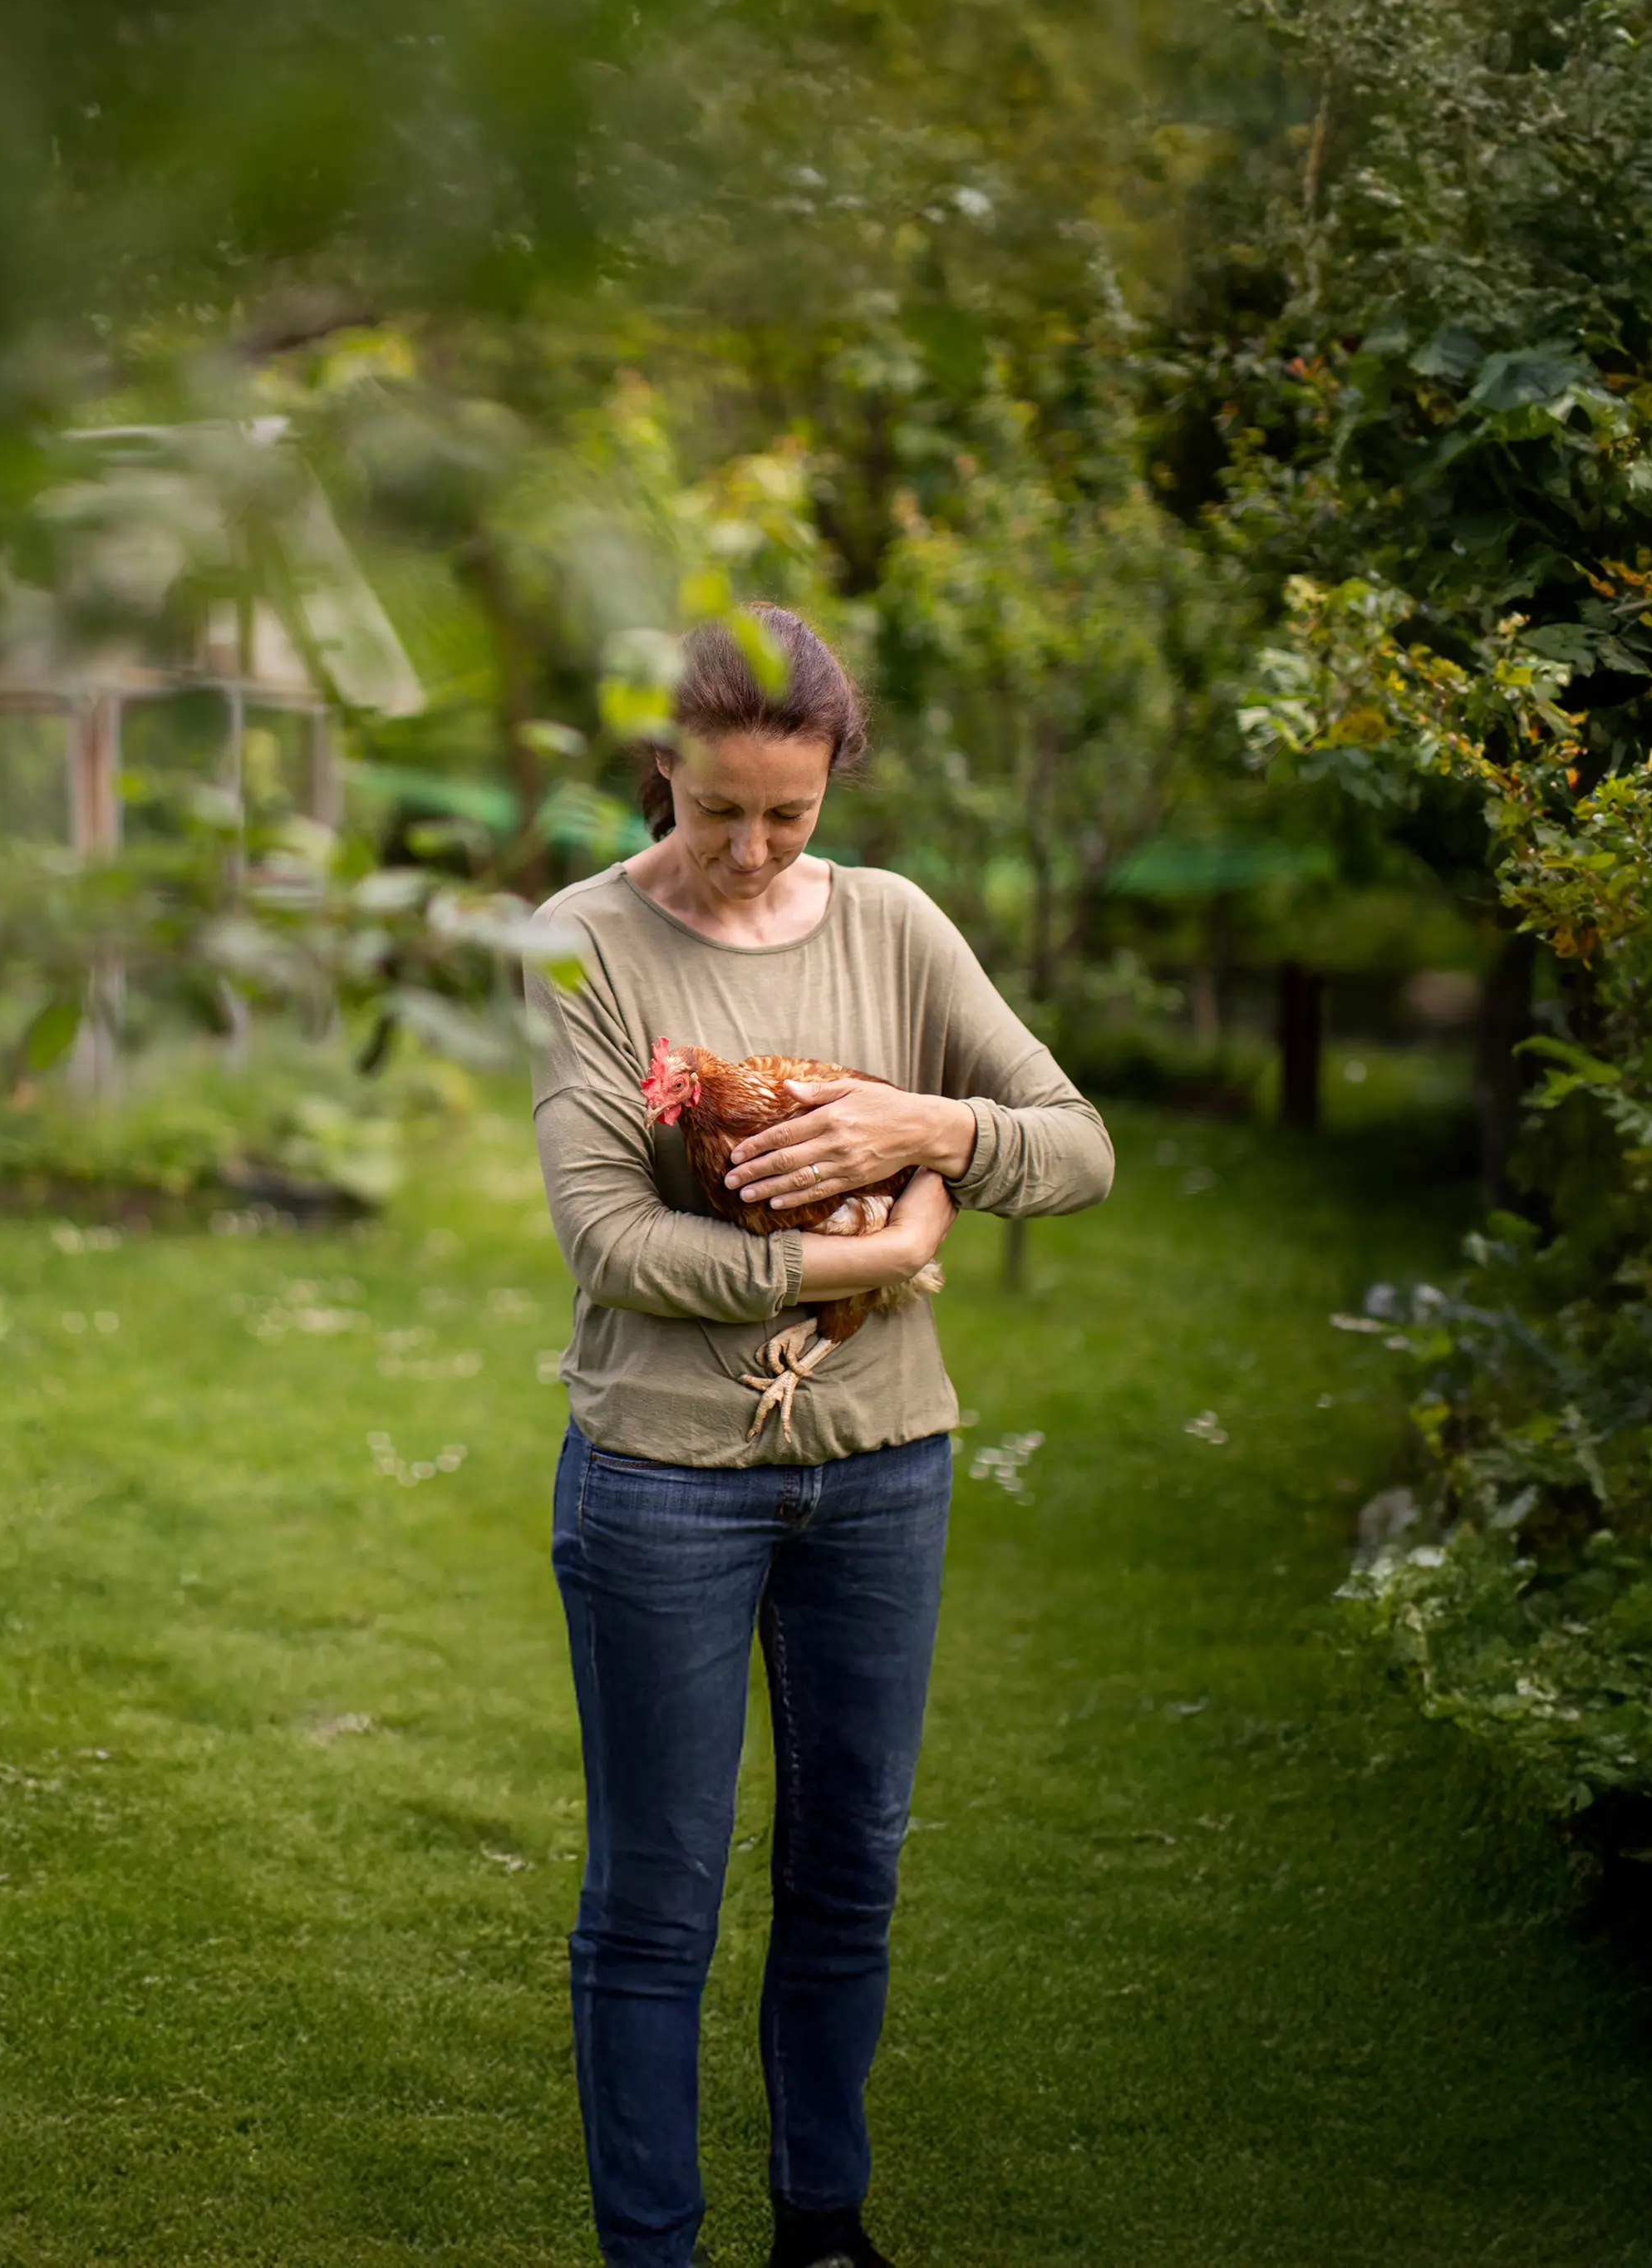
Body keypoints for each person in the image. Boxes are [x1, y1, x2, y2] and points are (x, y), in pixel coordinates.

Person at [527, 605, 1114, 2268]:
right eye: (716, 808)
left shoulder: (899, 927)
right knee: (654, 1897)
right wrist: (871, 1254)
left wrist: (922, 1124)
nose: (749, 847)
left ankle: (822, 2225)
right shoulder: (583, 945)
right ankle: (652, 2249)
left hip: (882, 1467)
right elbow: (616, 1249)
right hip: (660, 1478)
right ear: (660, 766)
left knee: (848, 1864)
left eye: (787, 813)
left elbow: (1075, 1149)